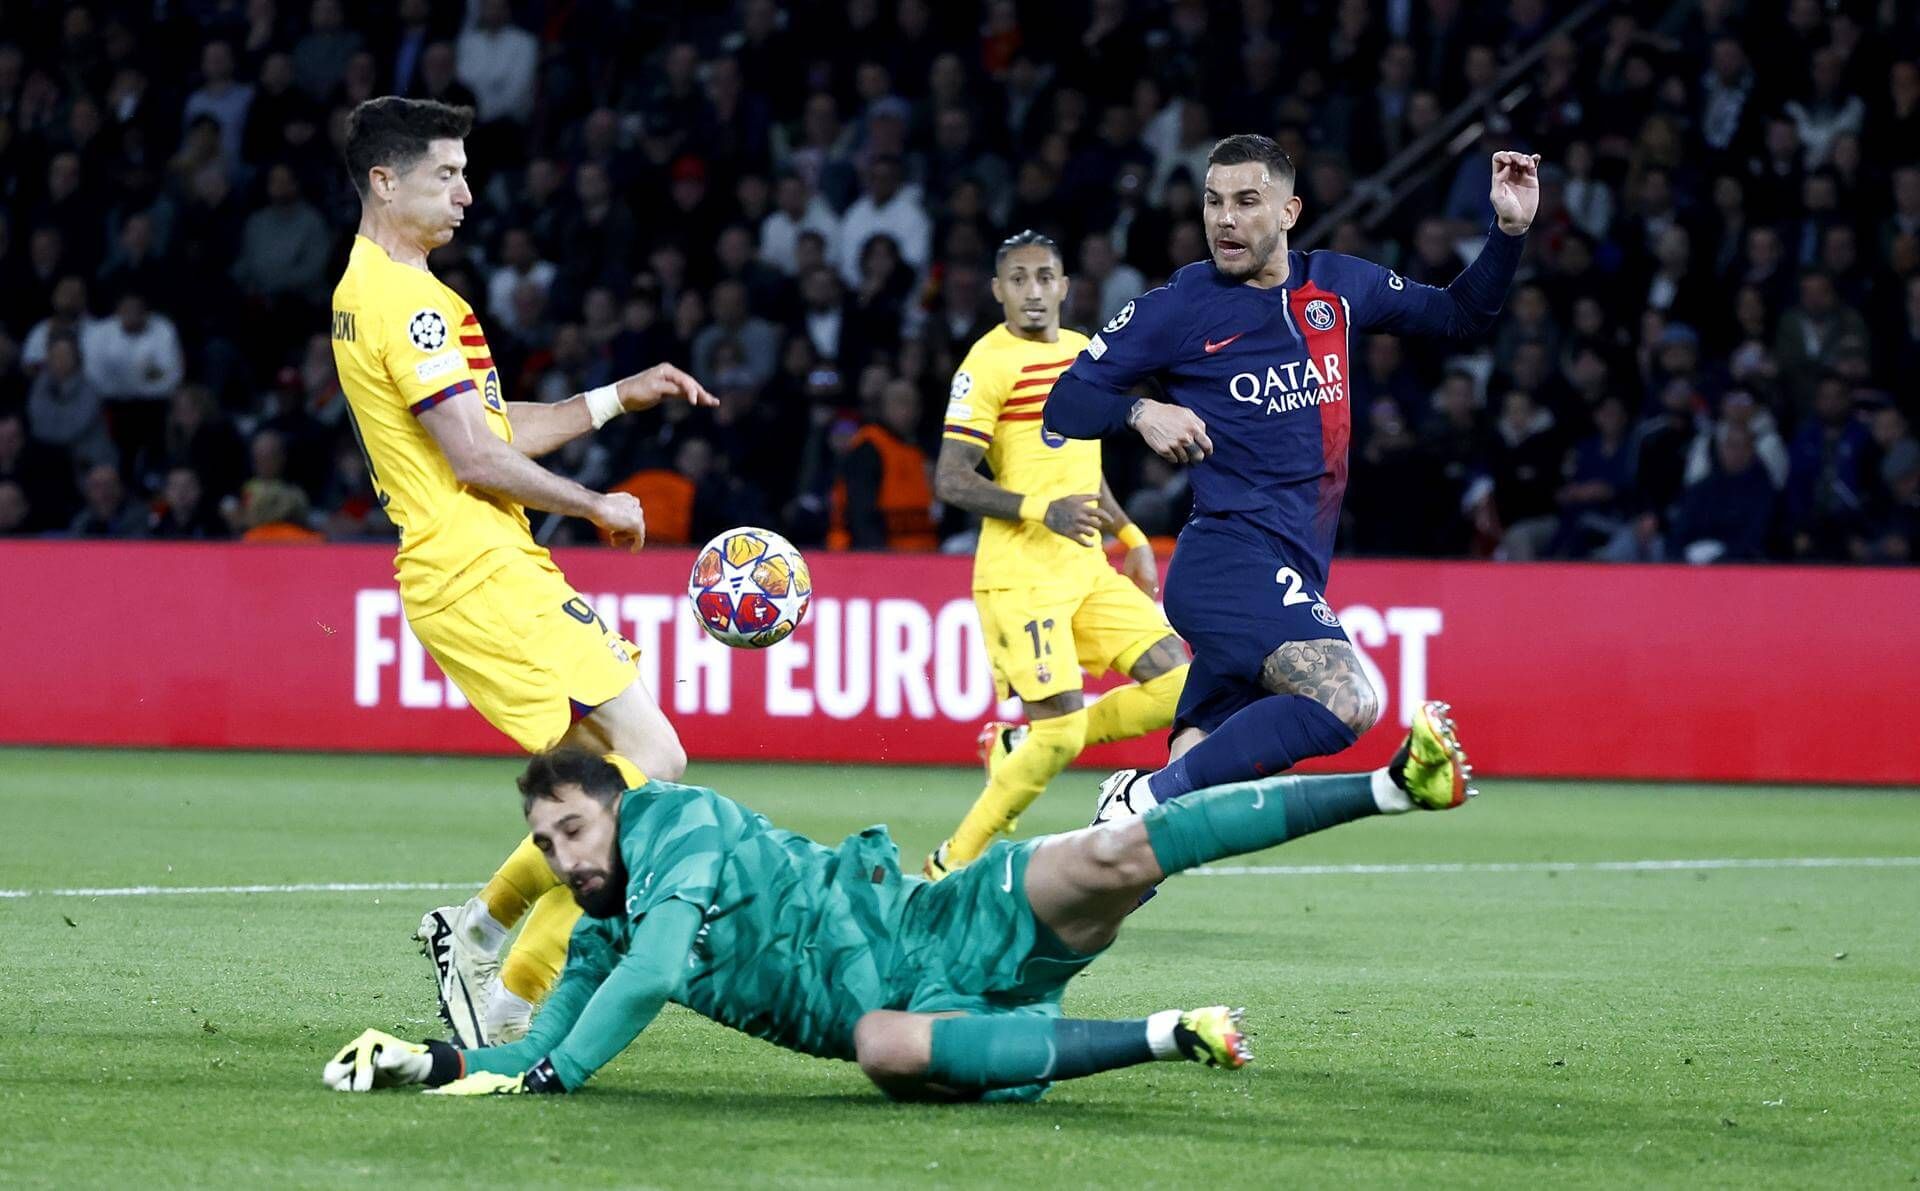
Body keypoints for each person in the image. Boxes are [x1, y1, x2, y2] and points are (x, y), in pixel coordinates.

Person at [324, 702, 1472, 1099]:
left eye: (572, 828)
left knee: (1116, 852)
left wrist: (548, 1076)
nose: (564, 857)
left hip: (931, 922)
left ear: (616, 810)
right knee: (883, 1045)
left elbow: (649, 983)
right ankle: (1169, 1036)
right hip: (916, 1016)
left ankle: (1391, 782)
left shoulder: (684, 824)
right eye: (545, 842)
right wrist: (427, 1062)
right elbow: (555, 1041)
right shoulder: (601, 927)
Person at [328, 96, 715, 1049]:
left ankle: (509, 988)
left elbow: (496, 430)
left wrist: (620, 395)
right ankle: (479, 935)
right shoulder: (409, 303)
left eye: (465, 171)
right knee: (653, 762)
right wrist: (597, 504)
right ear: (386, 181)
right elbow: (474, 458)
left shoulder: (382, 292)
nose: (467, 192)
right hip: (478, 563)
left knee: (617, 784)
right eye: (444, 174)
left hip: (482, 562)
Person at [1045, 134, 1534, 823]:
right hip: (1226, 559)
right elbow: (1064, 401)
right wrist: (1140, 409)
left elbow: (1460, 314)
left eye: (1247, 201)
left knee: (1190, 782)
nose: (1225, 219)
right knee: (1346, 700)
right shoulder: (1180, 307)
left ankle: (1086, 890)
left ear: (1289, 210)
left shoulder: (1337, 285)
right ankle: (1137, 795)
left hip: (1294, 566)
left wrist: (1508, 231)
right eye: (1214, 202)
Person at [923, 231, 1189, 880]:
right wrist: (1044, 510)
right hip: (1021, 578)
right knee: (1063, 735)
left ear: (1066, 286)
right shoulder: (985, 365)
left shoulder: (1083, 355)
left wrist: (1130, 539)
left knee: (1182, 686)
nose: (1034, 292)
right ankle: (946, 867)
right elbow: (951, 478)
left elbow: (1080, 467)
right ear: (998, 291)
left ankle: (1017, 746)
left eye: (1046, 277)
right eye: (1018, 280)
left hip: (1086, 566)